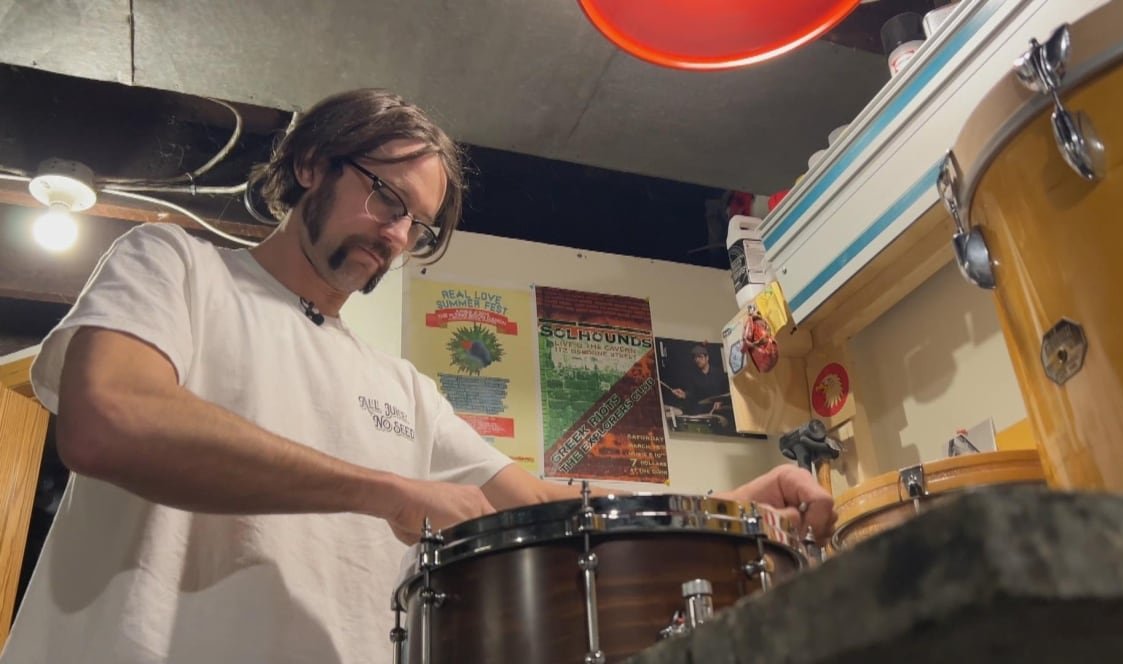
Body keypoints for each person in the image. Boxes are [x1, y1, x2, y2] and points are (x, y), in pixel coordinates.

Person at [1, 89, 835, 664]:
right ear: (311, 166)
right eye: (386, 199)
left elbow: (544, 503)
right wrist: (388, 492)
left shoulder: (401, 388)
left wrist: (724, 511)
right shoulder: (176, 265)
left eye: (419, 227)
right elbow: (110, 420)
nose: (399, 238)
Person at [666, 344, 731, 416]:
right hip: (702, 411)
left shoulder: (719, 373)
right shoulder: (693, 376)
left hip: (720, 410)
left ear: (707, 358)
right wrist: (684, 394)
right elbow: (692, 394)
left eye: (700, 357)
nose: (697, 360)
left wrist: (720, 401)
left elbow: (726, 392)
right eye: (695, 358)